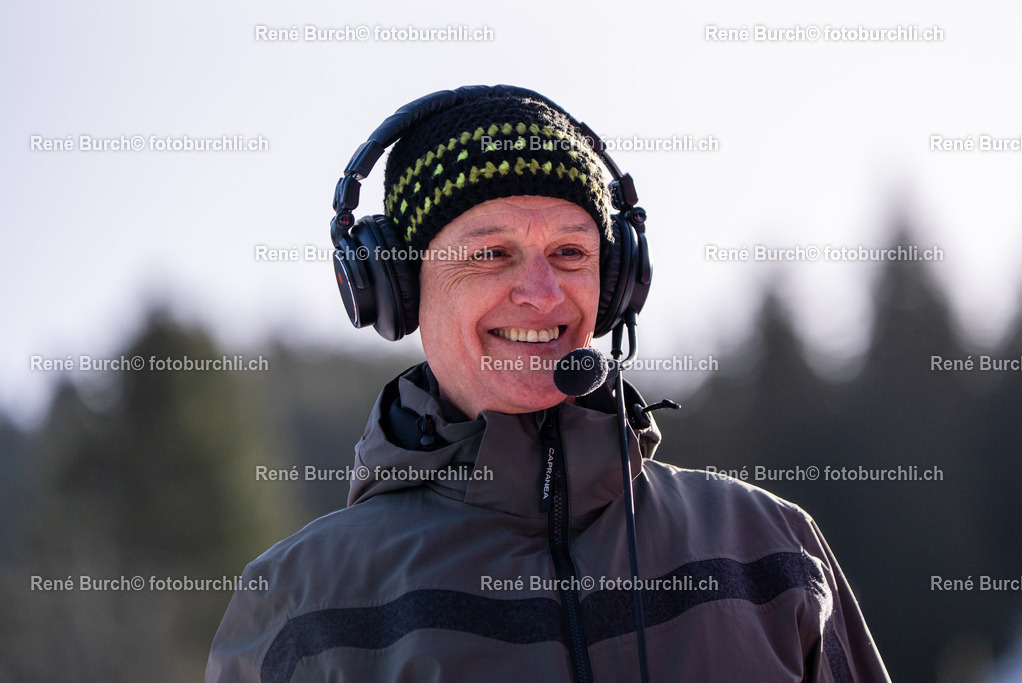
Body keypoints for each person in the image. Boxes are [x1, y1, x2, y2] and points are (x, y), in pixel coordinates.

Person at [206, 85, 890, 682]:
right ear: (401, 286)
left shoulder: (768, 546)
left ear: (617, 280)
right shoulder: (301, 600)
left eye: (570, 252)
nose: (541, 292)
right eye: (491, 252)